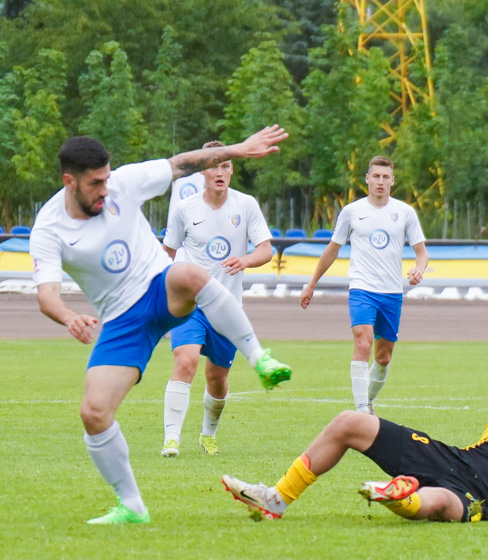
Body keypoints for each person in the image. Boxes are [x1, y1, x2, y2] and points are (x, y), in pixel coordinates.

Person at [29, 126, 293, 525]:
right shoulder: (48, 228)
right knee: (94, 412)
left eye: (107, 177)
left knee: (187, 273)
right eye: (96, 183)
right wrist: (70, 317)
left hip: (159, 286)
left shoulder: (122, 184)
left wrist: (239, 149)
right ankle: (132, 507)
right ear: (70, 181)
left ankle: (260, 358)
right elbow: (46, 295)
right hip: (120, 320)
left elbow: (181, 163)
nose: (106, 189)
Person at [222, 346, 488, 522]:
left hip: (486, 498)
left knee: (438, 504)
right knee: (350, 421)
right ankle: (277, 498)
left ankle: (397, 495)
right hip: (455, 459)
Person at [159, 141, 274, 457]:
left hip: (228, 309)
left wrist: (245, 261)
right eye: (213, 165)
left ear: (232, 170)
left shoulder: (245, 204)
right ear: (202, 170)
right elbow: (166, 253)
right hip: (191, 305)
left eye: (225, 165)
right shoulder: (185, 210)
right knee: (185, 360)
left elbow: (265, 249)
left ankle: (207, 434)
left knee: (218, 379)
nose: (219, 172)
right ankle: (171, 438)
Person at [299, 156, 428, 414]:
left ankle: (367, 401)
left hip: (391, 292)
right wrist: (311, 283)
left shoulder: (405, 212)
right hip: (361, 289)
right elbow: (332, 250)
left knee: (383, 357)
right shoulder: (352, 212)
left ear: (393, 181)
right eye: (376, 176)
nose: (380, 181)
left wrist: (419, 269)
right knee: (363, 342)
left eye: (385, 177)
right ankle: (361, 413)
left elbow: (422, 252)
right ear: (367, 179)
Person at [166, 171, 205, 262]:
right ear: (203, 172)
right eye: (214, 167)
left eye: (225, 167)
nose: (219, 173)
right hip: (188, 271)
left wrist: (244, 260)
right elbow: (169, 248)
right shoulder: (181, 208)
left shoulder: (242, 203)